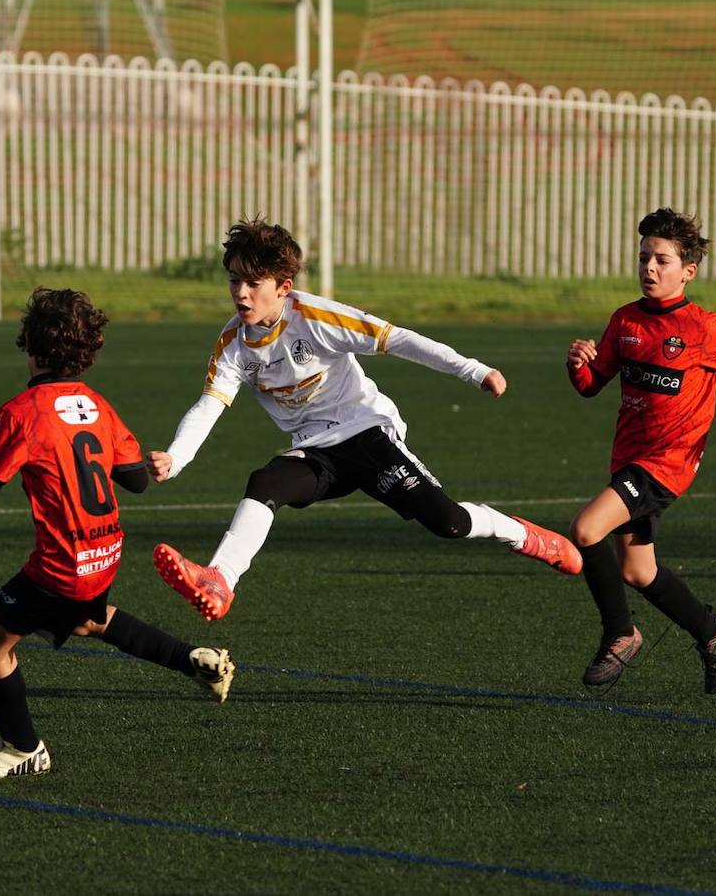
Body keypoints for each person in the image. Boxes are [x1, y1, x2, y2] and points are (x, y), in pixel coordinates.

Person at [145, 217, 582, 622]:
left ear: (283, 287)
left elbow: (399, 340)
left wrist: (473, 370)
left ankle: (522, 534)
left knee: (448, 523)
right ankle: (219, 580)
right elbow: (210, 404)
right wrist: (177, 456)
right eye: (234, 281)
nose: (241, 293)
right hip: (317, 450)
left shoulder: (316, 318)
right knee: (266, 482)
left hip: (367, 433)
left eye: (253, 283)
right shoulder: (234, 345)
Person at [0, 287, 235, 779]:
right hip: (105, 549)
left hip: (63, 563)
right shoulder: (95, 402)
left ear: (28, 342)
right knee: (89, 620)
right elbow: (134, 479)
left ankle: (23, 748)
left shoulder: (21, 411)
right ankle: (194, 659)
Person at [566, 208, 716, 694]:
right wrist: (578, 364)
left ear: (688, 271)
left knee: (585, 528)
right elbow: (591, 386)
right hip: (629, 458)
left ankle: (620, 634)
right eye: (644, 258)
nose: (650, 268)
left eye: (662, 259)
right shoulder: (625, 321)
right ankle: (713, 631)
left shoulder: (706, 327)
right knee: (638, 571)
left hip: (668, 463)